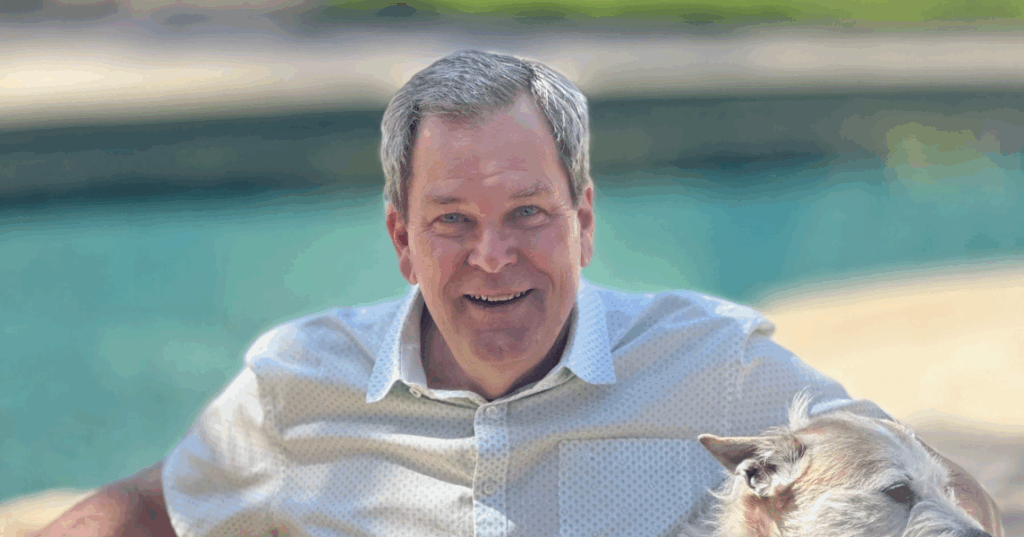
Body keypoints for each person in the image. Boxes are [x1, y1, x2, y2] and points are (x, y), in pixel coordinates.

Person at [33, 50, 1003, 537]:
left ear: (582, 220)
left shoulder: (707, 360)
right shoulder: (305, 378)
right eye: (451, 219)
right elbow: (145, 510)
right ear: (400, 239)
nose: (493, 256)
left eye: (529, 214)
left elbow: (914, 478)